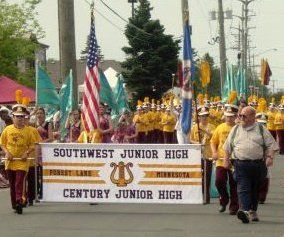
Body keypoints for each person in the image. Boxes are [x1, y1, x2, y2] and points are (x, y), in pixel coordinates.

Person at [223, 106, 279, 223]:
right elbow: (227, 147)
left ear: (253, 117)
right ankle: (244, 210)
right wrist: (226, 160)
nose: (241, 118)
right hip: (240, 164)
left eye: (244, 116)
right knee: (243, 188)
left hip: (258, 165)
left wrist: (270, 157)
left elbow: (272, 145)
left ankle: (253, 210)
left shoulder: (261, 129)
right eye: (240, 115)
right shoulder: (236, 129)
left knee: (255, 189)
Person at [0, 104, 34, 214]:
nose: (20, 119)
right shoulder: (7, 129)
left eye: (21, 117)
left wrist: (26, 153)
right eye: (17, 116)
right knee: (12, 183)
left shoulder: (28, 131)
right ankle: (14, 204)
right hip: (10, 161)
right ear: (13, 117)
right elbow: (2, 143)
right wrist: (6, 152)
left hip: (22, 161)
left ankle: (19, 201)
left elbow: (32, 145)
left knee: (19, 182)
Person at [210, 104, 239, 215]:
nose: (229, 118)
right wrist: (214, 152)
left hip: (234, 160)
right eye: (227, 116)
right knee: (219, 181)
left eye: (231, 116)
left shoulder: (238, 128)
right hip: (221, 160)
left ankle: (234, 206)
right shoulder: (220, 127)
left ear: (235, 116)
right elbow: (213, 141)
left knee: (234, 183)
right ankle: (224, 200)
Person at [190, 106, 215, 204]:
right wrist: (197, 143)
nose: (204, 118)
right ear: (198, 117)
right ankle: (199, 195)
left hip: (207, 154)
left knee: (207, 176)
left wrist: (204, 131)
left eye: (205, 116)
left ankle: (206, 196)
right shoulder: (195, 127)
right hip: (197, 154)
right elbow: (190, 140)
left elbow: (214, 136)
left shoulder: (211, 126)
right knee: (198, 176)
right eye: (202, 116)